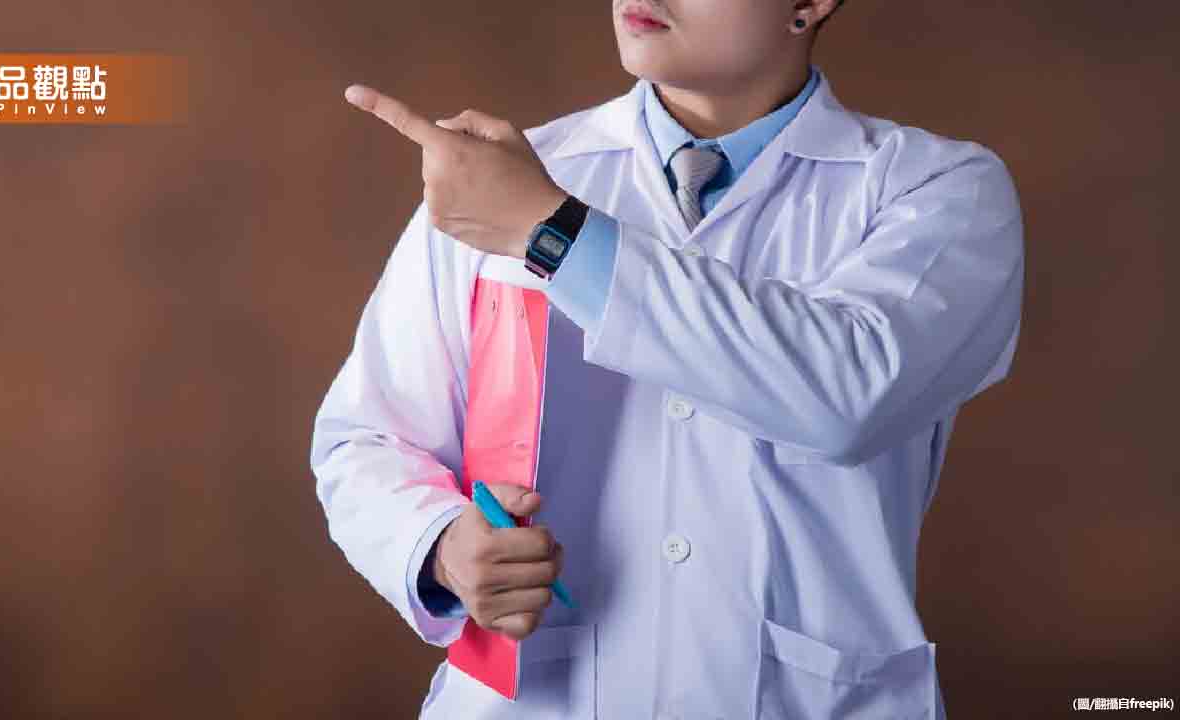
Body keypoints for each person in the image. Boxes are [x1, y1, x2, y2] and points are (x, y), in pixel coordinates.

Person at [312, 0, 1024, 716]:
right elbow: (367, 440)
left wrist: (551, 232)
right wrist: (439, 546)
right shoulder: (497, 180)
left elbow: (848, 395)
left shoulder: (937, 190)